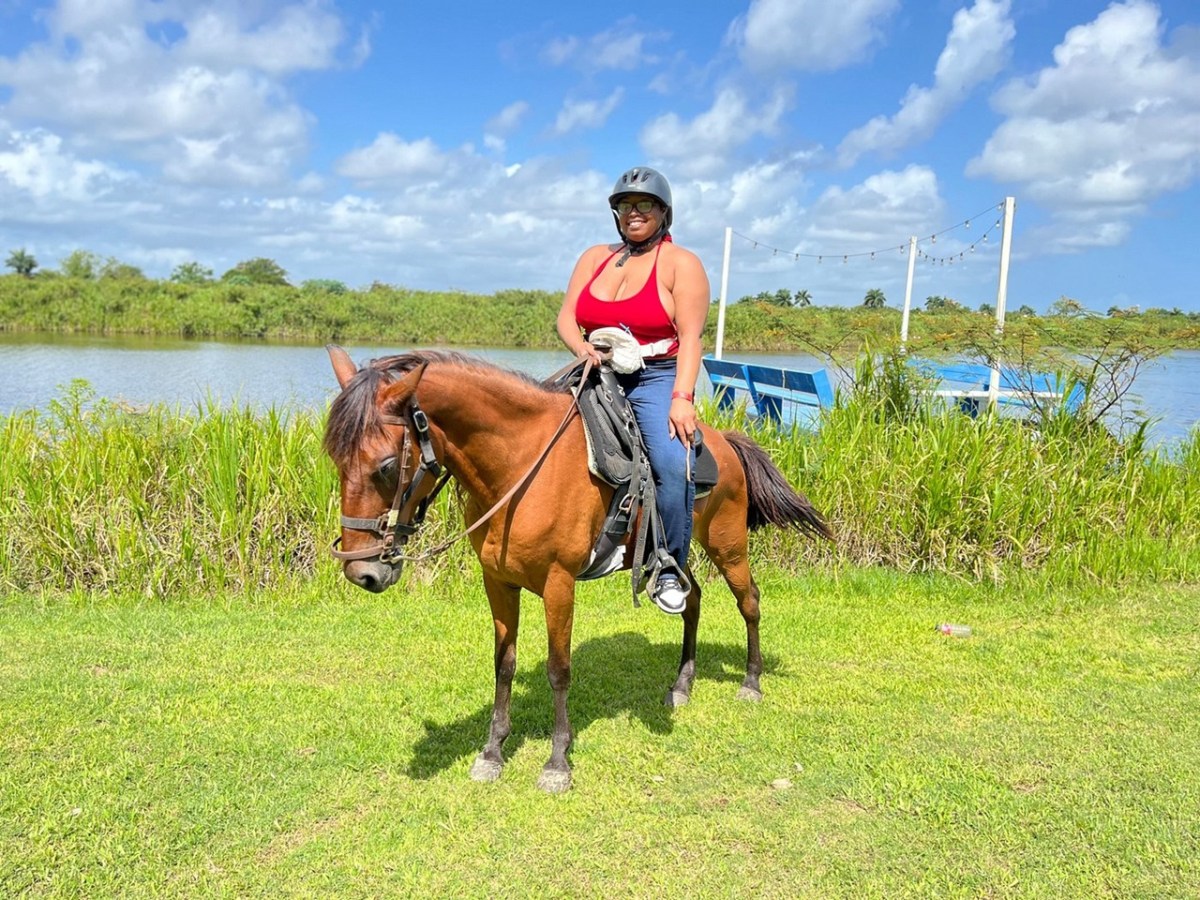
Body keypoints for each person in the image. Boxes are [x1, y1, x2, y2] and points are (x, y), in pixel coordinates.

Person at [556, 166, 711, 614]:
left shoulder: (682, 264)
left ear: (663, 212)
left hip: (656, 376)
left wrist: (682, 398)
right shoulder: (593, 258)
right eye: (625, 206)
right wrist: (581, 347)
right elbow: (567, 317)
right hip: (595, 367)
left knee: (669, 459)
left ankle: (668, 566)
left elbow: (692, 338)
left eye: (644, 205)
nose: (634, 213)